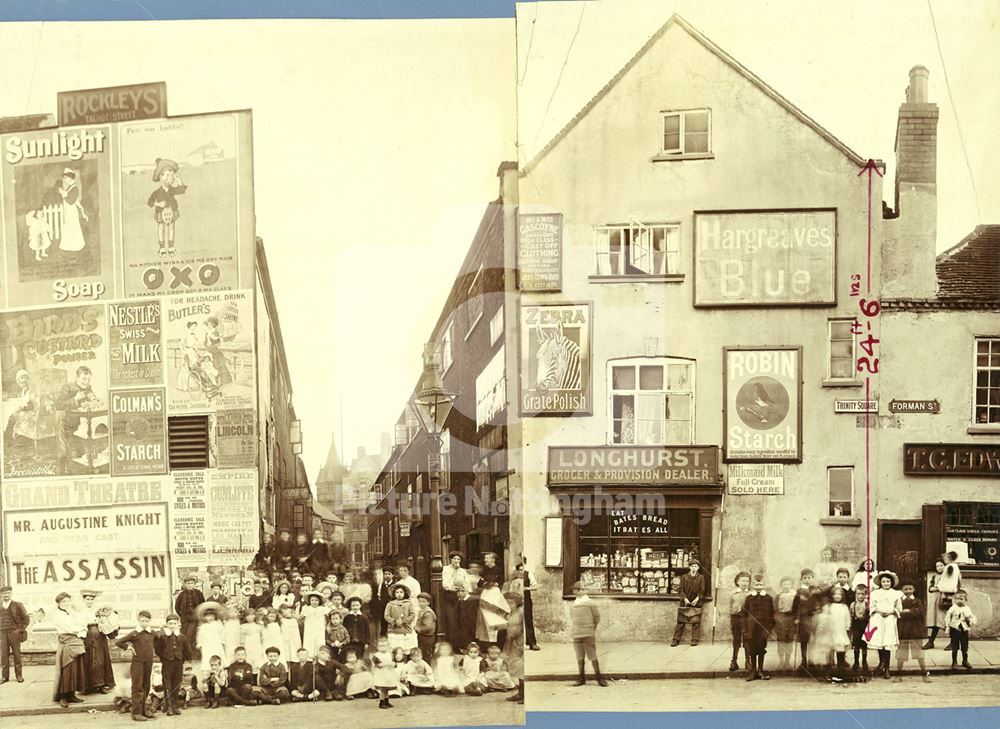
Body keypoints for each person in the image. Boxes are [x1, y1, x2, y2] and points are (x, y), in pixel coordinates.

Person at [55, 365, 98, 476]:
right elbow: (59, 405)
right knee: (63, 451)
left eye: (88, 379)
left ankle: (72, 468)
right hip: (63, 420)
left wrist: (94, 399)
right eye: (83, 379)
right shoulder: (67, 387)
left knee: (75, 450)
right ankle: (60, 472)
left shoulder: (87, 388)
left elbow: (94, 400)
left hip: (75, 421)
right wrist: (75, 399)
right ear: (77, 378)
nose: (86, 382)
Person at [115, 609, 158, 721]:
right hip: (138, 663)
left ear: (149, 621)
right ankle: (136, 713)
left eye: (146, 621)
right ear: (138, 620)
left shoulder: (152, 633)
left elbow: (158, 643)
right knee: (137, 687)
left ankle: (144, 710)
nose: (144, 623)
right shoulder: (134, 633)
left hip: (149, 662)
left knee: (146, 687)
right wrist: (128, 647)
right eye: (142, 621)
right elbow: (119, 642)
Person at [52, 592, 87, 709]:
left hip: (76, 642)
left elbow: (81, 622)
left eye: (68, 601)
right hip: (67, 643)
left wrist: (81, 628)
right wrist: (81, 629)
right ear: (58, 603)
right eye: (63, 602)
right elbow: (70, 628)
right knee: (67, 669)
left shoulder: (70, 612)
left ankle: (71, 694)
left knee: (75, 670)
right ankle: (63, 696)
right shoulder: (58, 614)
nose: (66, 603)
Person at [568, 581, 606, 687]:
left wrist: (592, 628)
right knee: (580, 657)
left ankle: (599, 678)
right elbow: (573, 618)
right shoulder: (574, 604)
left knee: (592, 656)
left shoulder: (590, 603)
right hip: (577, 633)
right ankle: (581, 678)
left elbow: (596, 617)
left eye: (576, 590)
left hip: (587, 633)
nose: (574, 592)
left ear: (581, 590)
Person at [868, 570, 903, 679]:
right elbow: (871, 606)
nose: (886, 583)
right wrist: (878, 611)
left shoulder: (896, 594)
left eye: (888, 581)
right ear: (880, 583)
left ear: (891, 582)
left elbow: (899, 608)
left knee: (887, 643)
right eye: (884, 581)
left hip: (889, 619)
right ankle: (881, 663)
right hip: (878, 618)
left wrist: (891, 612)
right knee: (879, 641)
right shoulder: (875, 593)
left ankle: (887, 668)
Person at [155, 613, 192, 716]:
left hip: (178, 663)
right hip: (167, 663)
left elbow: (187, 650)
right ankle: (169, 707)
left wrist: (184, 659)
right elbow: (158, 649)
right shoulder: (162, 637)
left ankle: (175, 706)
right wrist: (164, 658)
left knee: (177, 684)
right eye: (170, 623)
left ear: (178, 624)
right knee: (167, 684)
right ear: (167, 624)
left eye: (174, 623)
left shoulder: (181, 637)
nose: (172, 625)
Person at [148, 158, 185, 256]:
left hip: (172, 211)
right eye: (168, 175)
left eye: (172, 175)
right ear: (161, 176)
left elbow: (181, 190)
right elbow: (150, 202)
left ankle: (171, 246)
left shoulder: (172, 190)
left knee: (171, 228)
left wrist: (179, 180)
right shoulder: (156, 192)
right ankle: (162, 248)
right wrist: (158, 204)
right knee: (161, 228)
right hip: (161, 212)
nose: (170, 178)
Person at [896, 581, 931, 682]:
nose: (908, 591)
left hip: (915, 631)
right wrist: (907, 613)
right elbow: (897, 613)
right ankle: (898, 675)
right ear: (901, 590)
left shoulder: (917, 601)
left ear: (914, 590)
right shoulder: (898, 601)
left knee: (919, 653)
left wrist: (908, 612)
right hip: (902, 631)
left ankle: (924, 674)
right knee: (901, 654)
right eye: (905, 589)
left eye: (910, 589)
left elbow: (920, 613)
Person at [743, 575, 775, 681]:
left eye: (760, 584)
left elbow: (771, 615)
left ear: (763, 586)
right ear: (753, 586)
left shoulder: (768, 598)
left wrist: (768, 629)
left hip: (763, 628)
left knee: (761, 648)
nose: (758, 586)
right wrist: (745, 629)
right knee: (752, 649)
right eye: (756, 584)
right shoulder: (749, 598)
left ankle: (761, 670)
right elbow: (744, 614)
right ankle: (753, 671)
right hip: (751, 628)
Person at [792, 568, 822, 672]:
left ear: (813, 578)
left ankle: (812, 661)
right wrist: (796, 617)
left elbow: (821, 604)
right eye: (805, 578)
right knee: (804, 641)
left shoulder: (817, 591)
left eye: (809, 577)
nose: (807, 580)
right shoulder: (799, 592)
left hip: (814, 618)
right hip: (803, 620)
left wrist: (819, 613)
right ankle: (804, 661)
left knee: (814, 641)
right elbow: (795, 606)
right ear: (801, 579)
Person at [672, 559, 706, 647]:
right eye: (692, 566)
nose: (694, 568)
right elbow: (680, 589)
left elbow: (702, 591)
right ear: (689, 567)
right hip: (685, 602)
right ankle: (676, 639)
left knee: (696, 622)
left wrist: (697, 599)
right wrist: (685, 599)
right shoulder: (684, 577)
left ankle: (694, 639)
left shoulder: (701, 578)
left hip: (696, 602)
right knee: (681, 622)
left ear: (698, 568)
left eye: (695, 566)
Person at [0, 585, 29, 684]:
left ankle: (19, 676)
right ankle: (4, 677)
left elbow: (26, 619)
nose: (6, 595)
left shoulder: (17, 605)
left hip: (14, 633)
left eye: (8, 593)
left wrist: (19, 630)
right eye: (4, 593)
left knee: (17, 654)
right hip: (3, 633)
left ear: (11, 594)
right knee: (4, 655)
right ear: (1, 594)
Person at [442, 552, 469, 647]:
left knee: (460, 621)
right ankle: (451, 645)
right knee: (451, 621)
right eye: (455, 559)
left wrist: (464, 591)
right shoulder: (446, 569)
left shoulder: (462, 571)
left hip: (460, 596)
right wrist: (453, 587)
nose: (456, 561)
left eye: (458, 559)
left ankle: (459, 645)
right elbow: (446, 584)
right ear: (451, 559)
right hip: (450, 596)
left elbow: (467, 584)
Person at [944, 589, 976, 671]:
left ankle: (965, 661)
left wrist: (970, 621)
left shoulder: (967, 609)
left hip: (964, 629)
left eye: (961, 599)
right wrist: (947, 626)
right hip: (955, 629)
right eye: (957, 599)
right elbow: (947, 617)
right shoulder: (952, 608)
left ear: (966, 600)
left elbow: (973, 617)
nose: (959, 601)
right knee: (955, 646)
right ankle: (954, 662)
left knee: (964, 645)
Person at [502, 592, 525, 704]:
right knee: (516, 667)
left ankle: (524, 694)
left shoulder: (521, 611)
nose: (508, 604)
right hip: (513, 642)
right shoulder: (512, 612)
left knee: (521, 668)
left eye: (510, 602)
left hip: (520, 642)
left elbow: (524, 627)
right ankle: (520, 692)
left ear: (515, 602)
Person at [937, 551, 963, 650]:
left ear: (949, 558)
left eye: (945, 559)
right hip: (954, 594)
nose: (944, 560)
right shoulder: (956, 567)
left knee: (952, 620)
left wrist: (939, 587)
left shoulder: (950, 567)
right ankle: (955, 642)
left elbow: (946, 581)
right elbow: (958, 580)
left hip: (949, 595)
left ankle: (954, 643)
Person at [174, 576, 205, 656]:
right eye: (188, 583)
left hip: (195, 618)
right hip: (185, 618)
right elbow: (177, 606)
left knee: (190, 635)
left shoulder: (198, 593)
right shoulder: (182, 594)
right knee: (184, 635)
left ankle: (191, 653)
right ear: (185, 584)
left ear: (194, 584)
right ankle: (186, 653)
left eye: (191, 583)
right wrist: (182, 614)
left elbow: (202, 605)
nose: (190, 585)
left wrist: (199, 615)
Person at [3, 370, 35, 445]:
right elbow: (24, 400)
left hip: (31, 412)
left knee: (12, 416)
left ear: (28, 379)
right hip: (26, 410)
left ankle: (8, 438)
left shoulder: (32, 390)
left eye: (25, 379)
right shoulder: (24, 390)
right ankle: (8, 437)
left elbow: (32, 405)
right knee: (11, 413)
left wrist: (22, 408)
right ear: (19, 382)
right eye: (21, 381)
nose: (23, 382)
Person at [728, 571, 751, 672]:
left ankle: (748, 661)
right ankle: (734, 661)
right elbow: (729, 607)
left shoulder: (751, 594)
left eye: (747, 581)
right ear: (737, 581)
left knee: (747, 640)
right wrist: (730, 621)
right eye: (742, 581)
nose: (745, 583)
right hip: (736, 618)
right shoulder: (733, 594)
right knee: (736, 640)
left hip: (747, 619)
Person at [772, 577, 796, 670]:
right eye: (784, 584)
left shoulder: (795, 596)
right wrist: (777, 620)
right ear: (781, 586)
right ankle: (781, 661)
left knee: (789, 640)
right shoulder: (778, 596)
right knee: (781, 640)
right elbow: (775, 610)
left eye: (789, 584)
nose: (786, 586)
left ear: (791, 585)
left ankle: (787, 661)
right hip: (781, 620)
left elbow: (797, 609)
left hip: (791, 619)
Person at [924, 557, 948, 649]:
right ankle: (931, 642)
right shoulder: (934, 576)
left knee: (948, 621)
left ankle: (953, 642)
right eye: (937, 566)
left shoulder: (949, 576)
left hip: (946, 600)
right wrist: (938, 588)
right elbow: (930, 589)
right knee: (935, 621)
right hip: (936, 600)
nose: (939, 567)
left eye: (941, 565)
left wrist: (937, 588)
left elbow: (949, 587)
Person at [385, 584, 417, 651]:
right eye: (397, 592)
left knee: (405, 649)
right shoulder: (390, 604)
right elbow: (386, 616)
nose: (399, 594)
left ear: (404, 593)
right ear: (394, 594)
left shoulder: (409, 604)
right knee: (394, 649)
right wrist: (394, 621)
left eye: (401, 592)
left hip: (405, 629)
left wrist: (404, 621)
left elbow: (412, 615)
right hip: (394, 630)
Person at [196, 604, 226, 672]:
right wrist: (200, 644)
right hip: (206, 645)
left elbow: (222, 634)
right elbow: (200, 636)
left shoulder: (218, 625)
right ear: (205, 617)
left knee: (217, 655)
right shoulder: (203, 626)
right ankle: (208, 673)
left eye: (212, 616)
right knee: (207, 657)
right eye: (208, 616)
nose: (210, 618)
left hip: (216, 644)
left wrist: (222, 642)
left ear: (215, 616)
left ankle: (219, 672)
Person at [301, 591, 331, 658]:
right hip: (309, 628)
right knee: (309, 641)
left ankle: (319, 657)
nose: (314, 602)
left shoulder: (323, 609)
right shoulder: (306, 608)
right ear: (309, 601)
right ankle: (308, 658)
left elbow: (329, 616)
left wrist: (328, 625)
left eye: (316, 600)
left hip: (319, 628)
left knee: (319, 641)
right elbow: (301, 617)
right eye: (312, 600)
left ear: (319, 601)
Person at [849, 583, 871, 675]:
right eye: (858, 594)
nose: (860, 596)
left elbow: (869, 616)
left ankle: (864, 661)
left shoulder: (867, 604)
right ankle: (856, 662)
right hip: (856, 626)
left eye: (862, 594)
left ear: (866, 595)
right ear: (855, 594)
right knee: (856, 645)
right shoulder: (853, 604)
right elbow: (851, 616)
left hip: (864, 626)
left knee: (864, 645)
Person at [519, 560, 540, 651]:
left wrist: (526, 588)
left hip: (526, 600)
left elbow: (535, 586)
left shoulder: (528, 574)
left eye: (522, 564)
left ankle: (532, 643)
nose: (521, 569)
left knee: (528, 620)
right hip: (515, 601)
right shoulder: (513, 575)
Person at [415, 591, 437, 663]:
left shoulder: (428, 613)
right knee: (422, 653)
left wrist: (418, 629)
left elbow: (429, 627)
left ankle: (428, 669)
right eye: (420, 601)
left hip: (427, 637)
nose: (421, 603)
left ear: (428, 603)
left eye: (423, 601)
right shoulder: (421, 611)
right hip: (423, 636)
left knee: (426, 655)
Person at [373, 567, 395, 638]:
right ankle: (383, 635)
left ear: (392, 575)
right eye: (385, 574)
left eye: (389, 574)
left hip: (393, 606)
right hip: (383, 606)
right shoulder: (381, 585)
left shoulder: (395, 585)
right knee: (383, 621)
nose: (387, 575)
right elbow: (379, 596)